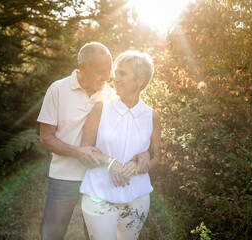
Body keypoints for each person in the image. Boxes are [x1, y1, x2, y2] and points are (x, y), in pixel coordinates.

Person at [37, 42, 151, 240]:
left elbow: (135, 127)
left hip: (99, 177)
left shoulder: (111, 94)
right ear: (82, 67)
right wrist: (77, 152)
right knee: (51, 234)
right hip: (65, 176)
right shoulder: (57, 90)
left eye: (109, 72)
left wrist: (145, 153)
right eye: (100, 72)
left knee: (96, 235)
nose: (107, 78)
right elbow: (45, 139)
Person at [80, 50, 161, 240]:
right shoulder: (101, 108)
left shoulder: (152, 116)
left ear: (140, 80)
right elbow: (84, 150)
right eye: (115, 74)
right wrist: (108, 162)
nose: (115, 79)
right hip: (98, 195)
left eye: (122, 74)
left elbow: (156, 156)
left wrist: (141, 163)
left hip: (137, 197)